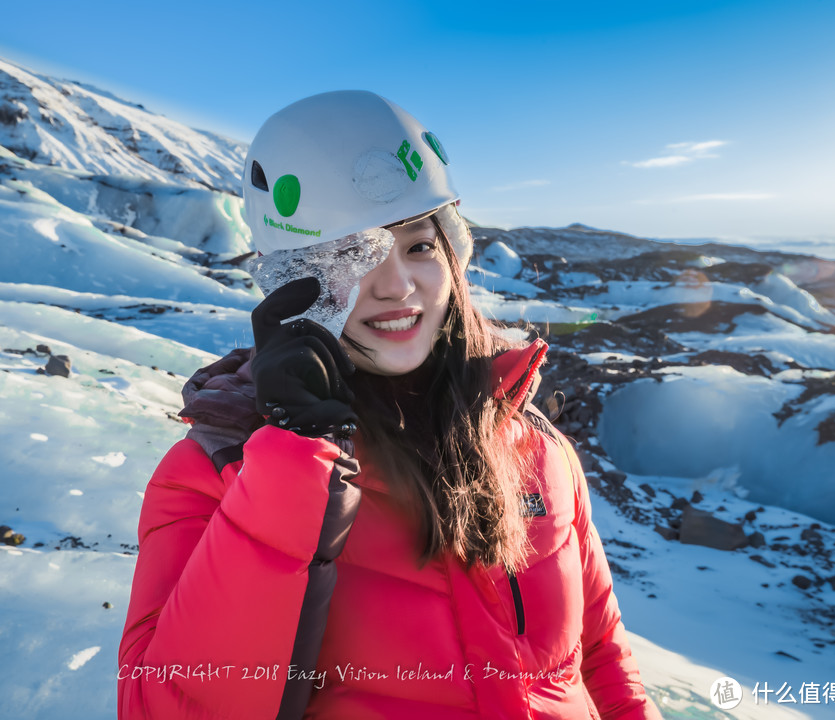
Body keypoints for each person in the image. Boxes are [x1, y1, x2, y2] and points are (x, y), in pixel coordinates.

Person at [118, 91, 660, 720]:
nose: (396, 285)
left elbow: (598, 657)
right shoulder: (219, 469)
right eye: (351, 254)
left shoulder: (533, 442)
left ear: (453, 253)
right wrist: (292, 463)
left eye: (418, 246)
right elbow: (167, 706)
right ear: (295, 278)